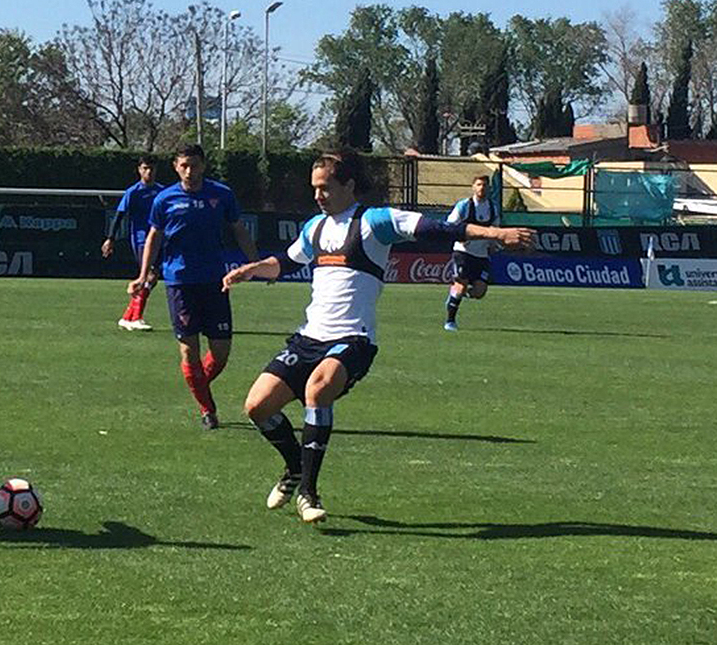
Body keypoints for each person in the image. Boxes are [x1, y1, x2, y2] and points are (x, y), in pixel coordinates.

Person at [223, 151, 534, 523]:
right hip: (309, 337)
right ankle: (293, 468)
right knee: (257, 407)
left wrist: (496, 234)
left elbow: (439, 229)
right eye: (314, 189)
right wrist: (253, 269)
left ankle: (308, 491)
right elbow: (287, 262)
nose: (318, 196)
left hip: (353, 339)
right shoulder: (315, 228)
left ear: (349, 185)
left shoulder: (374, 222)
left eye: (325, 188)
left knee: (317, 390)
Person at [129, 144, 258, 430]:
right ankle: (207, 408)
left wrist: (255, 264)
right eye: (184, 165)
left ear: (203, 166)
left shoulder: (221, 194)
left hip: (215, 281)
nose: (190, 171)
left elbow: (238, 229)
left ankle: (195, 382)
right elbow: (154, 236)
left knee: (221, 353)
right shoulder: (164, 199)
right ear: (176, 166)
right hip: (180, 284)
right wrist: (142, 274)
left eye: (195, 165)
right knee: (189, 351)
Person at [102, 156, 165, 331]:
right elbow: (120, 215)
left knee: (153, 278)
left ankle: (128, 316)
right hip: (141, 240)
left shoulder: (162, 191)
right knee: (149, 276)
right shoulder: (134, 192)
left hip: (160, 239)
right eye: (145, 168)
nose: (149, 172)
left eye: (152, 168)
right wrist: (111, 238)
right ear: (139, 170)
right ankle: (136, 317)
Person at [443, 174, 498, 331]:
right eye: (479, 184)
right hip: (463, 253)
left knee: (479, 292)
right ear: (473, 187)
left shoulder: (492, 208)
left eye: (485, 185)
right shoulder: (464, 206)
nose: (482, 188)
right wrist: (460, 236)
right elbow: (450, 225)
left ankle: (455, 295)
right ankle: (450, 321)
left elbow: (495, 229)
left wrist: (493, 244)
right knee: (461, 285)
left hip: (481, 255)